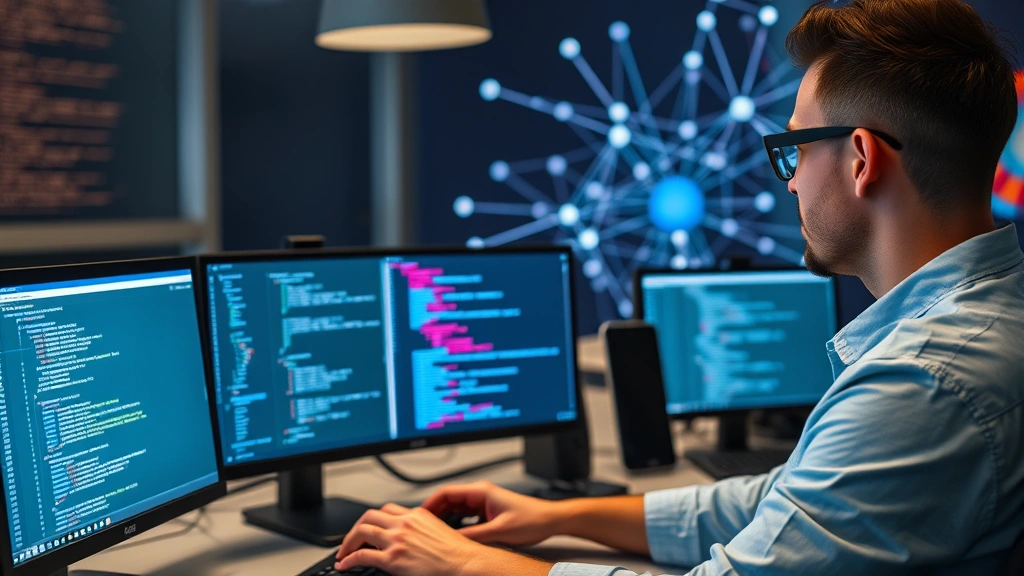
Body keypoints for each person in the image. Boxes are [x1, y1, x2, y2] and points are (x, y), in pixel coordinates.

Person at [334, 0, 1024, 573]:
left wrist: (463, 563)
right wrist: (559, 516)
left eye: (794, 148)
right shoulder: (987, 319)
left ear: (861, 160)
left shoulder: (923, 381)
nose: (788, 182)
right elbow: (787, 500)